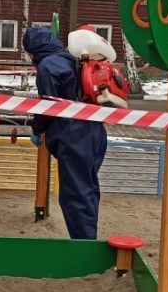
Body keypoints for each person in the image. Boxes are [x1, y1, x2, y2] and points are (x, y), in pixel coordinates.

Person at [22, 26, 107, 240]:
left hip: (73, 135)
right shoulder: (71, 59)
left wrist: (37, 128)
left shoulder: (48, 66)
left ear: (32, 51)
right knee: (88, 189)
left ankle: (83, 246)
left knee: (75, 195)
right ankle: (88, 239)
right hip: (95, 130)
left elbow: (49, 105)